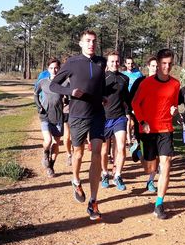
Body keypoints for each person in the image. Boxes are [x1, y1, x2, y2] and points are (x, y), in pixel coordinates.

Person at [50, 30, 107, 221]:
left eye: (94, 41)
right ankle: (75, 179)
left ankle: (93, 200)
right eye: (88, 41)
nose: (91, 44)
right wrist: (70, 91)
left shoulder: (101, 62)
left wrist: (103, 96)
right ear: (81, 43)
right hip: (77, 115)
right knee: (79, 153)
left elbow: (99, 84)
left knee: (97, 153)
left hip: (97, 114)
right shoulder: (72, 63)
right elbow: (54, 86)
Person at [132, 49, 180, 219]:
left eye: (169, 64)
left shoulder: (175, 84)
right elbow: (135, 103)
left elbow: (173, 105)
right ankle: (137, 151)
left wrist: (174, 111)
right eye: (163, 64)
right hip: (147, 129)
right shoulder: (146, 83)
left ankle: (159, 203)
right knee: (150, 168)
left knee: (166, 163)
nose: (166, 67)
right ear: (158, 65)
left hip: (166, 129)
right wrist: (142, 122)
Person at [100, 51, 130, 192]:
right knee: (104, 150)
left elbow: (126, 99)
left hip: (119, 117)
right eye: (112, 61)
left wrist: (128, 113)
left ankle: (117, 175)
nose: (115, 64)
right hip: (104, 118)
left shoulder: (124, 79)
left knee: (122, 147)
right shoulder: (102, 78)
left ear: (120, 62)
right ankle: (105, 173)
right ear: (107, 62)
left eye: (117, 61)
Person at [129, 56, 158, 192]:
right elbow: (131, 99)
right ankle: (138, 152)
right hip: (143, 123)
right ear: (148, 67)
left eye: (158, 66)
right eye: (153, 66)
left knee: (158, 154)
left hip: (160, 123)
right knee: (148, 162)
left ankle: (151, 181)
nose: (156, 69)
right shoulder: (141, 82)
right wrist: (134, 112)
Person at [34, 58, 63, 178]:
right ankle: (45, 153)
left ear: (59, 68)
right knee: (48, 140)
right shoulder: (43, 82)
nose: (54, 70)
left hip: (58, 117)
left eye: (56, 67)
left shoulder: (64, 82)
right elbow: (36, 94)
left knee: (56, 143)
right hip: (45, 116)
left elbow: (69, 96)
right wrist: (39, 106)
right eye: (51, 68)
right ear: (48, 69)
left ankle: (51, 165)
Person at [122, 56, 143, 144]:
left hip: (136, 99)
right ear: (125, 64)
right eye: (128, 63)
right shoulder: (123, 74)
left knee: (136, 120)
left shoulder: (138, 73)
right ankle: (129, 138)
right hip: (127, 99)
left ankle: (136, 136)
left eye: (132, 63)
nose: (130, 65)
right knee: (128, 119)